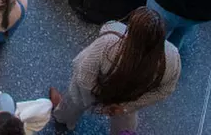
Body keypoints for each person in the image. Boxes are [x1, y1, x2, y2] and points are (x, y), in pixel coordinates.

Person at [48, 7, 181, 133]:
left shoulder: (109, 43)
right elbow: (164, 91)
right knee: (124, 127)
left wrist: (96, 104)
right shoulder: (172, 57)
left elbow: (82, 71)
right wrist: (125, 107)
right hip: (127, 100)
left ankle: (63, 119)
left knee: (73, 102)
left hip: (93, 93)